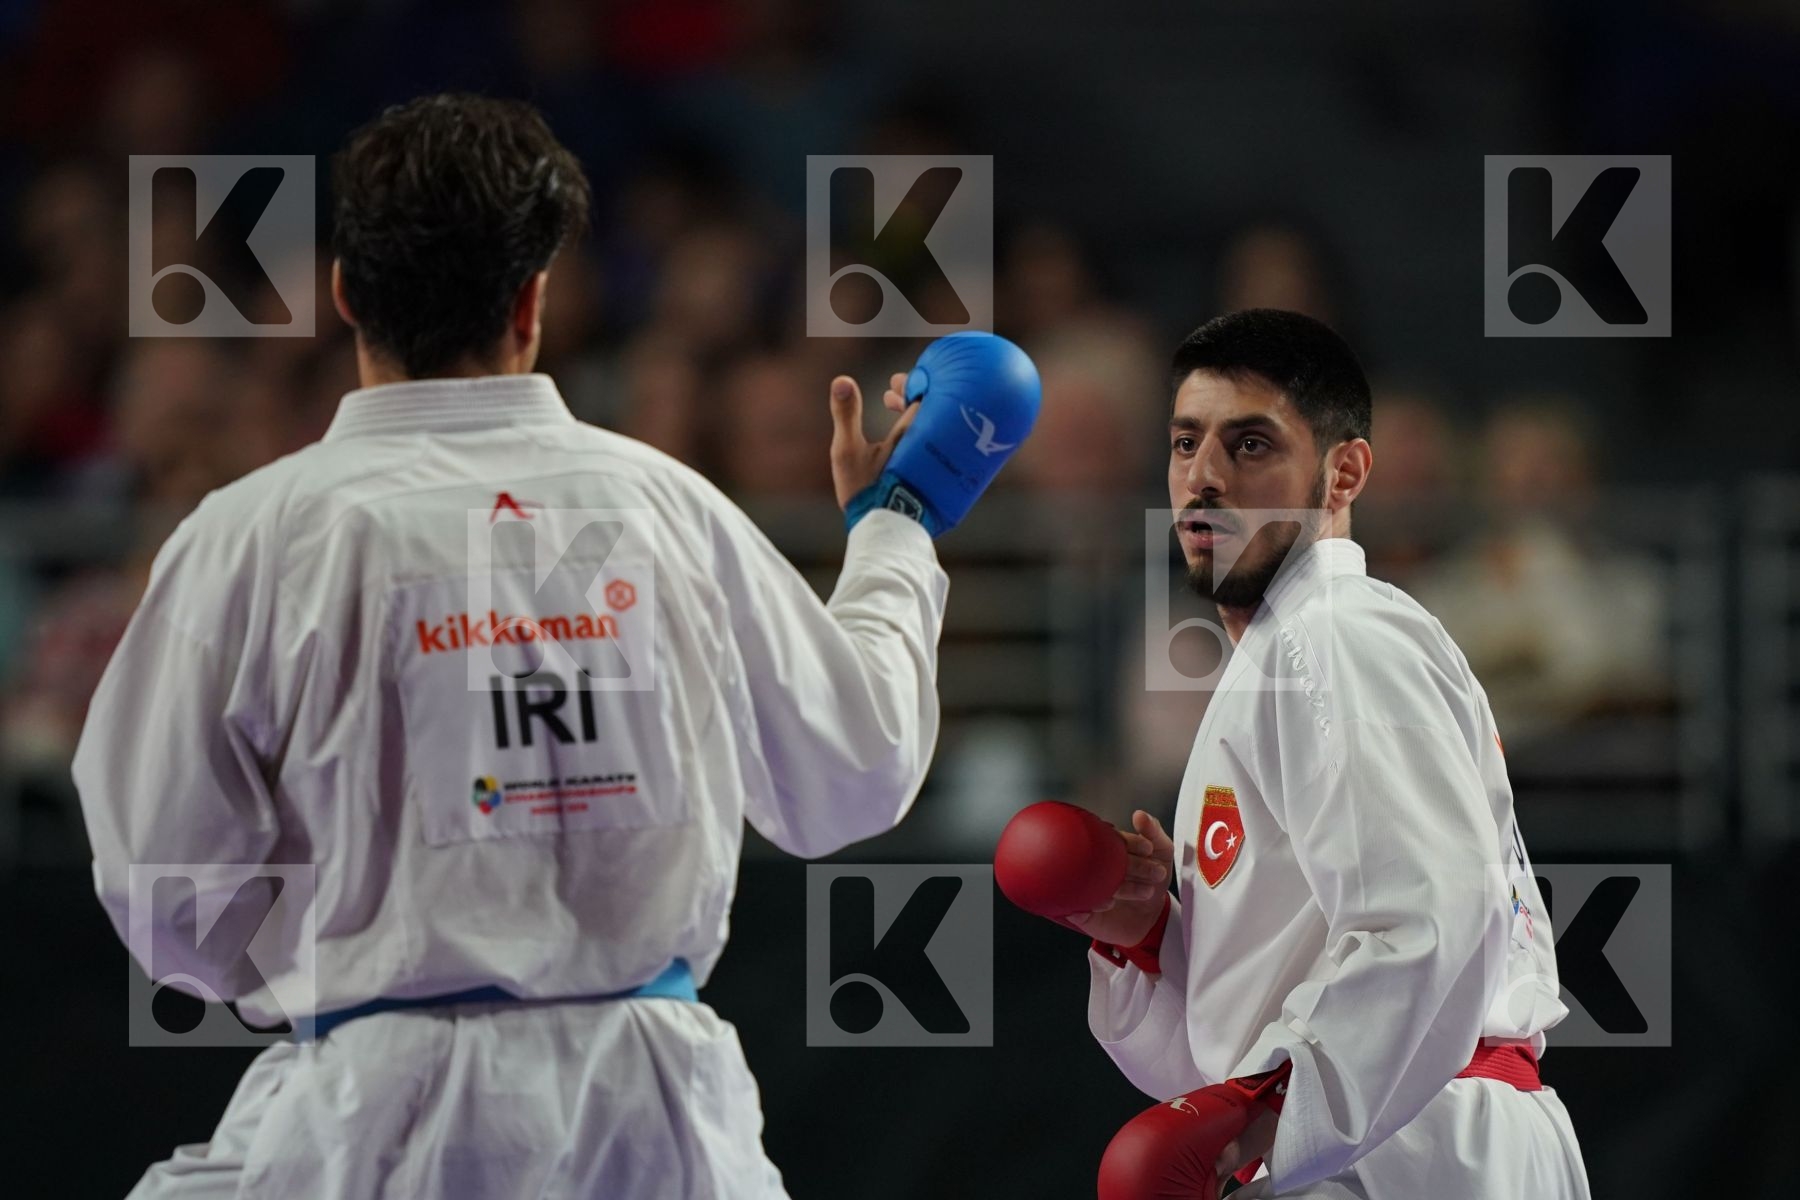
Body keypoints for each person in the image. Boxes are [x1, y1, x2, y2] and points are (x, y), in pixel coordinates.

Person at [72, 92, 992, 1199]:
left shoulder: (248, 538)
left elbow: (167, 897)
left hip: (370, 1122)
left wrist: (346, 955)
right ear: (533, 297)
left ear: (345, 292)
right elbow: (854, 772)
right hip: (660, 1137)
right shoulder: (664, 506)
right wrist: (896, 527)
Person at [1019, 310, 1590, 1197]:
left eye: (1250, 446)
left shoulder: (1333, 636)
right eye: (1184, 444)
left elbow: (1427, 916)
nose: (1203, 478)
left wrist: (1266, 1106)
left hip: (1413, 1144)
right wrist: (1152, 940)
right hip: (1380, 1137)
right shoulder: (1279, 662)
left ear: (1344, 471)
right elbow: (1233, 1036)